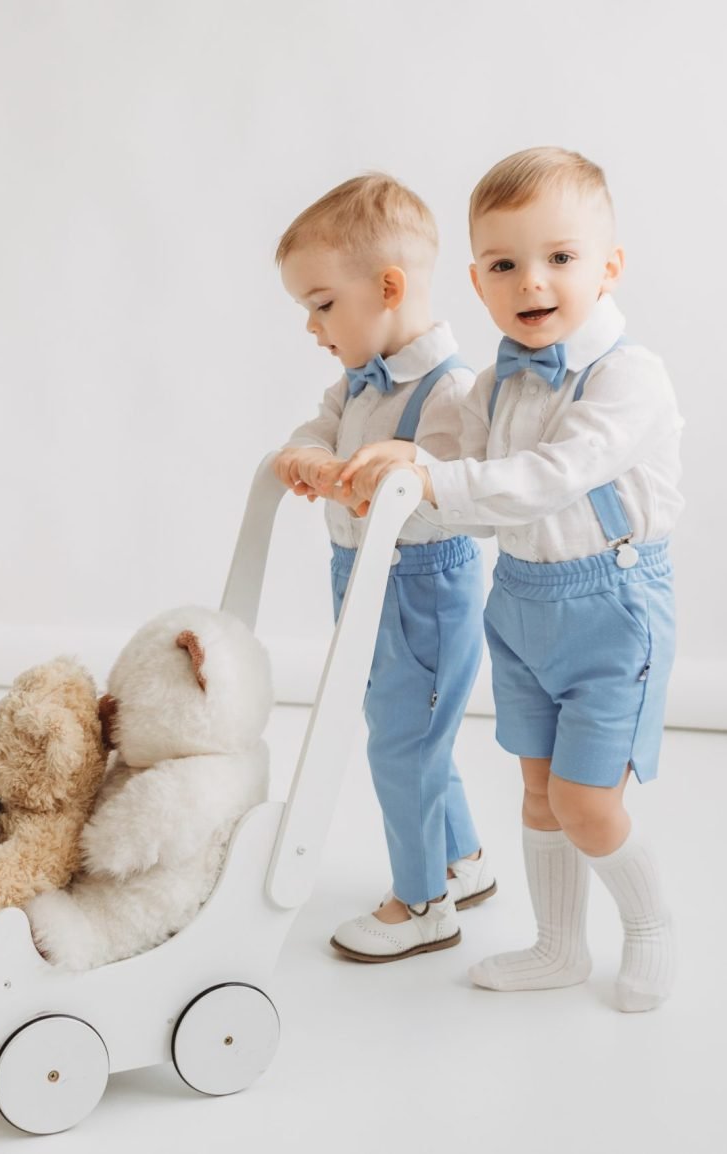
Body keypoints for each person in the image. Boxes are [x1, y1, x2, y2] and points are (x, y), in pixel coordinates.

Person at [338, 147, 682, 1010]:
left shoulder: (628, 379)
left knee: (585, 802)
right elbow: (457, 481)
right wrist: (388, 475)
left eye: (560, 258)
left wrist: (431, 477)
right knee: (537, 791)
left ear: (609, 267)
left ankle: (650, 926)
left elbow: (548, 477)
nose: (533, 281)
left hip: (613, 609)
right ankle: (558, 946)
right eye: (504, 264)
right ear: (478, 281)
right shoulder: (493, 383)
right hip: (521, 607)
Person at [272, 173, 495, 963]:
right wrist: (307, 454)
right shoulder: (355, 384)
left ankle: (423, 902)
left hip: (424, 589)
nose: (312, 325)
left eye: (323, 303)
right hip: (362, 581)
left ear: (390, 287)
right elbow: (321, 425)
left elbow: (461, 489)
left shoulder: (453, 392)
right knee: (409, 729)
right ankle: (461, 860)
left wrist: (404, 471)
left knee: (403, 744)